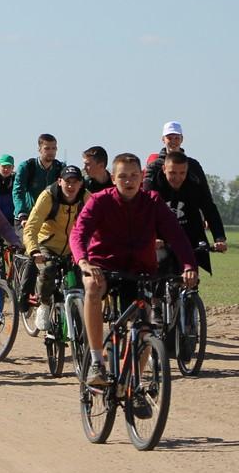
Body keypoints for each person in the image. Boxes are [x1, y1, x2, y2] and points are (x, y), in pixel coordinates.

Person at [69, 153, 199, 389]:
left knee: (145, 328)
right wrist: (84, 262)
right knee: (92, 287)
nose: (128, 181)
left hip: (139, 270)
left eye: (133, 176)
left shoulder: (153, 201)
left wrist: (189, 265)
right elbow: (79, 233)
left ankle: (132, 386)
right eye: (122, 176)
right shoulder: (99, 201)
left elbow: (176, 236)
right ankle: (97, 361)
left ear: (141, 177)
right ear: (113, 178)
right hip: (104, 267)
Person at [22, 164, 90, 331]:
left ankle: (80, 320)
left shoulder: (86, 198)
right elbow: (31, 226)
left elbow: (100, 226)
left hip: (73, 248)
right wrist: (34, 251)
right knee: (48, 270)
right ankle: (43, 305)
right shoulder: (48, 197)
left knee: (83, 281)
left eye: (75, 182)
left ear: (81, 183)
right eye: (67, 181)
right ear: (59, 181)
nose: (71, 186)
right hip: (47, 245)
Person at [147, 150, 228, 273]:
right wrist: (152, 237)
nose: (177, 178)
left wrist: (219, 238)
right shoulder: (155, 186)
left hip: (189, 237)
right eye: (172, 173)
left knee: (191, 279)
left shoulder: (194, 185)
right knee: (158, 274)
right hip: (162, 239)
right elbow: (146, 213)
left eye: (182, 173)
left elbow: (209, 208)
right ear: (164, 169)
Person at [12, 134, 63, 223]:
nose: (51, 152)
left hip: (50, 218)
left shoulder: (60, 168)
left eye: (54, 148)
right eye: (47, 148)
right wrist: (22, 213)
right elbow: (18, 192)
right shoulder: (27, 167)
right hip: (27, 217)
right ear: (39, 149)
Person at [157, 121, 210, 190]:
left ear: (182, 139)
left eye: (177, 138)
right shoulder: (155, 166)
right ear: (163, 139)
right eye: (169, 138)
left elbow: (205, 193)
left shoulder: (193, 165)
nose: (173, 141)